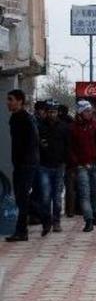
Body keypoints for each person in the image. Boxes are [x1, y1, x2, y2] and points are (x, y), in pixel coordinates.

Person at [5, 89, 43, 241]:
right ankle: (29, 225)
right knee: (22, 197)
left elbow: (33, 141)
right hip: (21, 164)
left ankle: (23, 230)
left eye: (10, 99)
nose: (8, 102)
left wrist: (26, 160)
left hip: (26, 164)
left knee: (22, 197)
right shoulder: (15, 118)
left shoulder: (25, 119)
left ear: (19, 101)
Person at [69, 100, 96, 232]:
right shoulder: (73, 128)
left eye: (90, 110)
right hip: (81, 165)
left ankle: (94, 212)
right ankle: (88, 219)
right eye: (86, 111)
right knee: (84, 193)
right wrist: (76, 162)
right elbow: (70, 148)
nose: (89, 113)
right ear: (80, 112)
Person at [37, 102, 70, 233]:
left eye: (54, 112)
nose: (52, 114)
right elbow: (36, 145)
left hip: (59, 166)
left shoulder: (63, 127)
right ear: (46, 112)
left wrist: (65, 161)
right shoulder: (40, 127)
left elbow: (68, 146)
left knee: (57, 197)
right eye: (50, 112)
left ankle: (56, 221)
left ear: (57, 112)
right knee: (45, 196)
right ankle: (46, 222)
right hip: (44, 166)